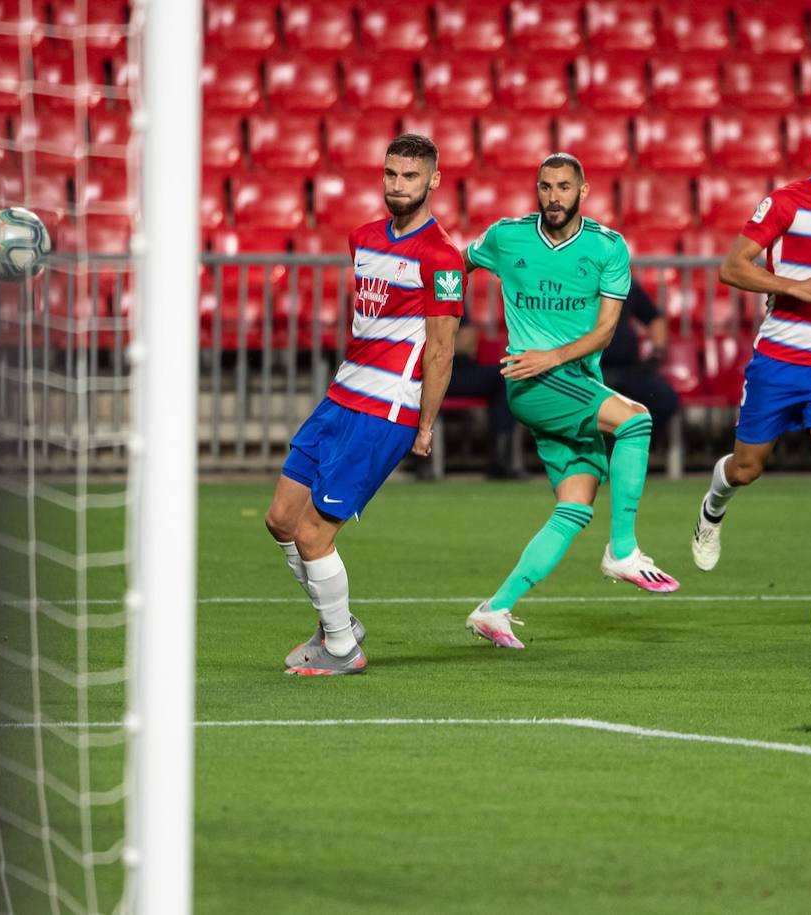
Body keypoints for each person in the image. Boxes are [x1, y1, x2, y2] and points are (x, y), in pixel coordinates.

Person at [462, 152, 680, 651]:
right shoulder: (506, 235)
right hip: (531, 383)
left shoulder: (607, 248)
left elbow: (605, 332)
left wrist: (554, 356)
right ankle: (623, 550)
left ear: (582, 192)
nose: (553, 196)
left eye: (563, 187)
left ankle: (495, 609)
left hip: (574, 380)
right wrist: (440, 318)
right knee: (636, 421)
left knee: (575, 506)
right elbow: (458, 264)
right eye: (545, 186)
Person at [264, 134, 462, 675]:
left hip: (385, 410)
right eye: (391, 175)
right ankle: (340, 625)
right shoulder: (363, 238)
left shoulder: (442, 258)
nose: (398, 186)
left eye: (411, 177)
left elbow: (441, 350)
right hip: (340, 396)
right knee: (282, 521)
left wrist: (425, 426)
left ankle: (341, 648)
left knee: (313, 534)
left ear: (433, 182)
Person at [690, 103, 811, 632]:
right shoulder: (786, 201)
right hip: (779, 360)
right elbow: (733, 267)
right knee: (747, 468)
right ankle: (712, 507)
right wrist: (792, 287)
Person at [599, 278, 678, 452]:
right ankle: (600, 451)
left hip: (628, 369)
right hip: (591, 369)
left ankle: (632, 446)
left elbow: (654, 319)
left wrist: (657, 352)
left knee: (666, 399)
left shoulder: (625, 284)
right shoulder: (574, 284)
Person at [444, 315, 525, 479]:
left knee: (506, 375)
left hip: (459, 371)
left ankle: (501, 458)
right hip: (426, 374)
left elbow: (468, 342)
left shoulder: (449, 290)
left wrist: (437, 344)